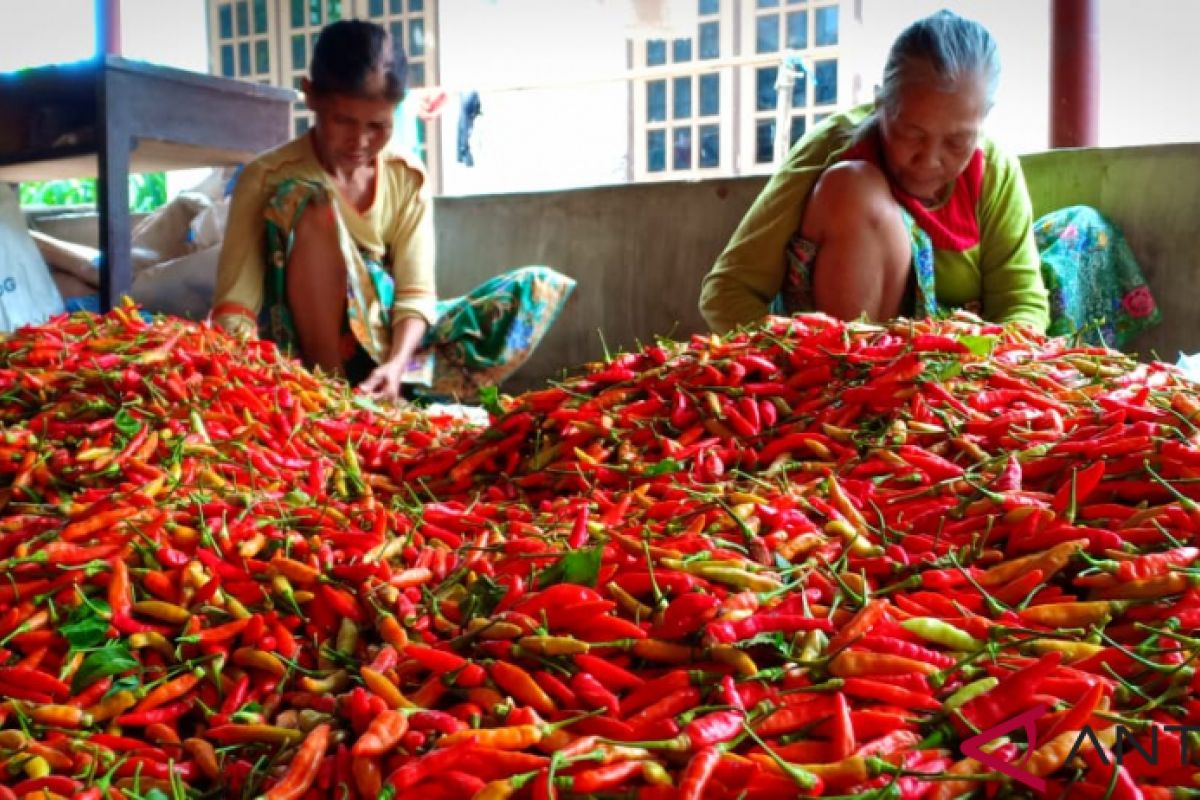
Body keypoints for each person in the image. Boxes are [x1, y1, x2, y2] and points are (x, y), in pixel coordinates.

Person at [700, 10, 1160, 348]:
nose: (930, 160)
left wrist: (975, 352)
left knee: (1083, 228)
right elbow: (727, 293)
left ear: (983, 122)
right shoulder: (834, 146)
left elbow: (1023, 304)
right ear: (881, 105)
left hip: (949, 369)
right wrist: (795, 355)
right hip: (833, 360)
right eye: (910, 133)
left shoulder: (993, 167)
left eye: (957, 142)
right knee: (852, 188)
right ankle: (850, 387)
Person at [211, 20, 573, 400]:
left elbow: (416, 294)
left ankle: (392, 385)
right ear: (311, 95)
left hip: (392, 347)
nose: (360, 141)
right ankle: (334, 398)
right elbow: (235, 307)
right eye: (343, 121)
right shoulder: (267, 177)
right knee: (314, 204)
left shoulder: (407, 177)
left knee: (533, 286)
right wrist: (252, 380)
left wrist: (397, 362)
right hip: (306, 360)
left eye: (377, 126)